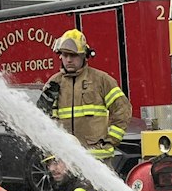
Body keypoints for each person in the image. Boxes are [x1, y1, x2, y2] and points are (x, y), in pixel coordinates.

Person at [37, 29, 132, 164]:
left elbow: (122, 110)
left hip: (98, 160)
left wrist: (110, 141)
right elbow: (42, 118)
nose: (69, 60)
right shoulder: (54, 83)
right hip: (66, 160)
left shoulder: (101, 80)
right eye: (65, 55)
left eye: (73, 55)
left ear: (84, 56)